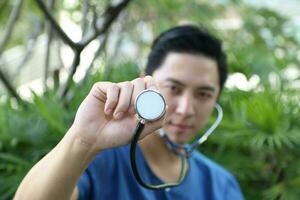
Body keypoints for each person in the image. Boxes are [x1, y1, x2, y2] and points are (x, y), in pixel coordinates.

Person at [15, 24, 244, 200]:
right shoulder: (96, 159)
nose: (186, 109)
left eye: (203, 94)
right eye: (174, 88)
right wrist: (83, 138)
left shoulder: (221, 185)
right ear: (147, 81)